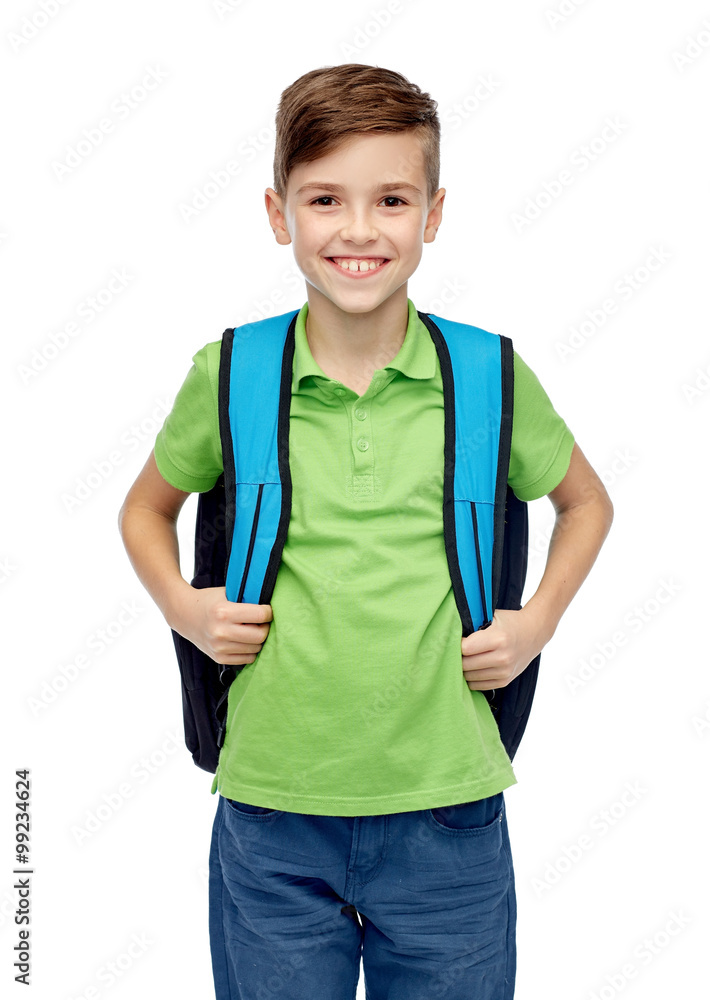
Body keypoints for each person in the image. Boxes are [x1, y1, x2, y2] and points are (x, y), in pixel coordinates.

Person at [118, 63, 613, 1000]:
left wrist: (537, 621)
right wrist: (184, 607)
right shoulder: (232, 372)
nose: (357, 230)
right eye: (324, 199)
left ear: (432, 214)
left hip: (449, 811)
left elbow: (586, 502)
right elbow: (145, 508)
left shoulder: (489, 375)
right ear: (279, 214)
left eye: (390, 199)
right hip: (270, 806)